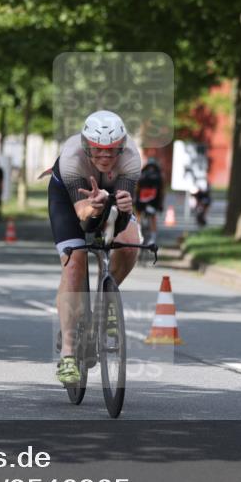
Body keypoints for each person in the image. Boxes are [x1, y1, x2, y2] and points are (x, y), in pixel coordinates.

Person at [48, 110, 141, 385]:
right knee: (74, 262)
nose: (105, 156)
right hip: (70, 201)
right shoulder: (72, 158)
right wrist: (95, 204)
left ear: (122, 147)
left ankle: (105, 300)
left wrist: (122, 205)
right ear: (87, 146)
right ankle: (67, 353)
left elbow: (123, 208)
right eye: (98, 151)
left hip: (108, 196)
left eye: (112, 151)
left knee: (130, 244)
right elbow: (83, 217)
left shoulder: (132, 158)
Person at [135, 157, 165, 243]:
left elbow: (137, 188)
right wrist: (161, 204)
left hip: (141, 201)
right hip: (153, 201)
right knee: (153, 217)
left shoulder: (142, 173)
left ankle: (138, 232)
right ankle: (153, 237)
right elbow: (161, 191)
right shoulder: (159, 175)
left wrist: (135, 199)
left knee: (138, 215)